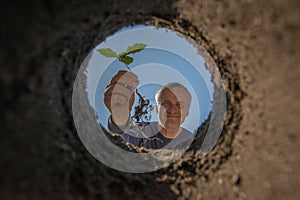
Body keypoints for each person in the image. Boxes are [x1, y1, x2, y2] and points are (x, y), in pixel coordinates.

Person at [104, 70, 193, 149]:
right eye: (166, 104)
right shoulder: (142, 132)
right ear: (157, 109)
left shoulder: (193, 141)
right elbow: (122, 140)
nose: (172, 109)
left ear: (187, 111)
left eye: (180, 105)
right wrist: (120, 118)